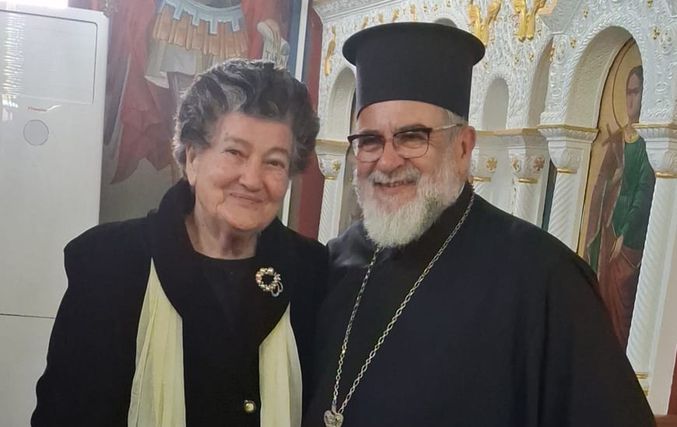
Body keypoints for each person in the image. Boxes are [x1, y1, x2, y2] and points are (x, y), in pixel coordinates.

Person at [303, 23, 654, 427]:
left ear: (463, 147)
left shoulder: (544, 279)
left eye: (412, 137)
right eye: (369, 141)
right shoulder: (337, 262)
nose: (387, 161)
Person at [33, 59, 327, 427]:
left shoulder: (311, 271)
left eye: (275, 162)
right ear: (192, 158)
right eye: (235, 152)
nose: (252, 179)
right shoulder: (107, 263)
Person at [584, 65, 655, 348]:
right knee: (602, 296)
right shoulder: (616, 140)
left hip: (630, 237)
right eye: (627, 92)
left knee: (623, 301)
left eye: (636, 92)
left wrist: (625, 232)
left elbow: (644, 192)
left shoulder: (650, 144)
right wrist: (611, 181)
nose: (630, 99)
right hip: (609, 230)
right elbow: (601, 181)